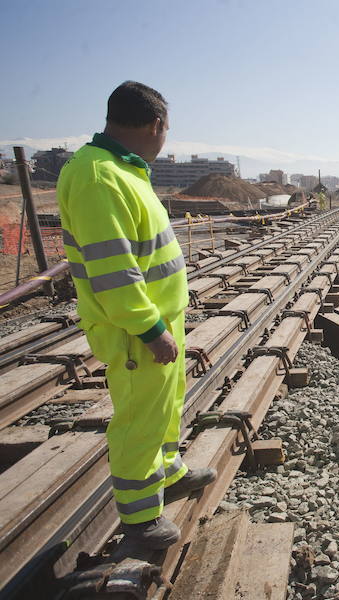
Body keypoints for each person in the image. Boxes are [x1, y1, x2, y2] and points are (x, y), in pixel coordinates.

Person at [57, 81, 216, 550]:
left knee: (164, 406)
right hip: (137, 330)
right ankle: (140, 518)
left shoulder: (122, 170)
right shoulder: (98, 177)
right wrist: (148, 328)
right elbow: (113, 270)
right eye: (166, 128)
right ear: (155, 125)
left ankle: (168, 473)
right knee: (138, 419)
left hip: (160, 321)